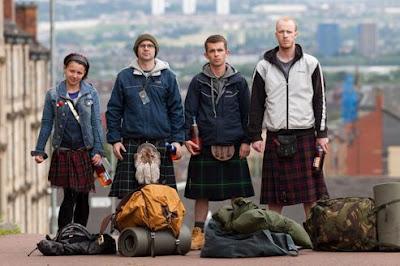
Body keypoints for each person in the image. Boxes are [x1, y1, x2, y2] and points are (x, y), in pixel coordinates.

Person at [249, 17, 329, 218]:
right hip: (276, 135)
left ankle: (313, 234)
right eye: (281, 31)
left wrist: (322, 134)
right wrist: (256, 135)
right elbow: (256, 104)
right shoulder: (263, 66)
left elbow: (320, 100)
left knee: (310, 196)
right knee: (275, 196)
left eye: (288, 31)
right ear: (276, 34)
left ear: (296, 34)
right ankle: (275, 235)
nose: (285, 35)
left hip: (305, 135)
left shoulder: (311, 63)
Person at [184, 35, 255, 250]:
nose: (216, 54)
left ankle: (239, 230)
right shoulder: (198, 81)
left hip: (234, 143)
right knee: (201, 193)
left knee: (237, 195)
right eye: (212, 51)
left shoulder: (239, 81)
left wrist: (246, 141)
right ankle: (198, 233)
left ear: (227, 52)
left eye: (219, 50)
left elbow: (248, 114)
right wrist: (188, 138)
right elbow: (189, 112)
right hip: (205, 144)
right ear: (206, 54)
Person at [106, 33, 185, 199]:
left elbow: (177, 110)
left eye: (150, 45)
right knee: (129, 199)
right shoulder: (124, 77)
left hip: (161, 142)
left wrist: (177, 140)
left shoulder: (168, 77)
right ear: (137, 50)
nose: (146, 49)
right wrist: (114, 140)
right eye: (143, 46)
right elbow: (114, 110)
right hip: (131, 143)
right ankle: (128, 226)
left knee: (162, 198)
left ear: (155, 50)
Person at [31, 53, 104, 231]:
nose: (74, 75)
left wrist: (98, 151)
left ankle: (79, 234)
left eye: (79, 73)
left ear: (84, 74)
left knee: (82, 197)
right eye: (72, 71)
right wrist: (39, 150)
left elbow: (96, 123)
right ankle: (63, 235)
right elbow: (47, 123)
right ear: (64, 69)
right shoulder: (53, 95)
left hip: (84, 152)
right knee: (69, 196)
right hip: (64, 151)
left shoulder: (91, 93)